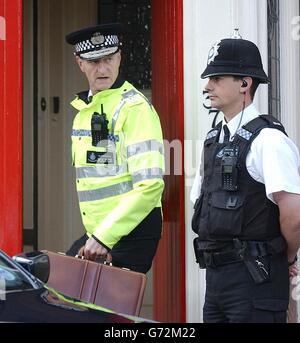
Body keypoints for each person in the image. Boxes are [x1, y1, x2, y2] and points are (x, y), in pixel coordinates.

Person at [191, 35, 300, 322]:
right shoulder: (214, 140)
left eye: (216, 78)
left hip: (256, 280)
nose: (207, 86)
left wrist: (285, 257)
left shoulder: (270, 141)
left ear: (244, 83)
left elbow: (294, 216)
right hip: (216, 280)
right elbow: (201, 204)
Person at [65, 23, 165, 274]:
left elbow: (150, 185)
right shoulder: (84, 111)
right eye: (94, 61)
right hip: (100, 233)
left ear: (119, 57)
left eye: (109, 59)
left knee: (103, 311)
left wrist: (103, 237)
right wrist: (98, 235)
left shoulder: (134, 108)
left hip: (130, 232)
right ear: (80, 63)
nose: (103, 68)